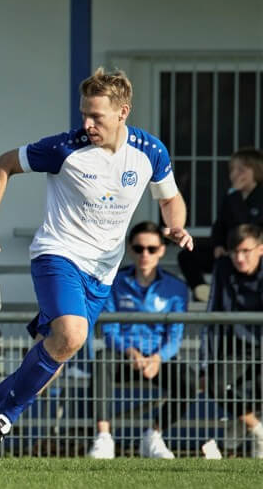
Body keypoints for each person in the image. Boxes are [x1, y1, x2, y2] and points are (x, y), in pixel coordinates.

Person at [0, 67, 193, 464]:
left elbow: (170, 198)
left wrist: (177, 225)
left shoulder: (151, 151)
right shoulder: (65, 147)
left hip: (101, 272)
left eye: (96, 116)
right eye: (84, 114)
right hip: (57, 254)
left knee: (57, 353)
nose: (87, 124)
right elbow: (1, 165)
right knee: (73, 334)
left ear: (123, 112)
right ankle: (4, 420)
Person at [88, 221, 194, 459]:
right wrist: (131, 353)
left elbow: (175, 335)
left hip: (158, 359)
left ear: (162, 250)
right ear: (130, 249)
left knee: (188, 379)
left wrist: (157, 358)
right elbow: (109, 330)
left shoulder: (176, 288)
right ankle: (103, 437)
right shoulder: (114, 282)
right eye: (138, 248)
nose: (145, 254)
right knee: (102, 361)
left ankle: (154, 435)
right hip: (124, 357)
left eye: (152, 249)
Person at [201, 223, 263, 458]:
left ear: (260, 249)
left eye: (246, 251)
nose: (239, 258)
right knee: (215, 383)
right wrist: (205, 364)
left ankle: (244, 428)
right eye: (234, 252)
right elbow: (212, 312)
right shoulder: (223, 267)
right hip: (238, 347)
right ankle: (256, 429)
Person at [178, 147, 263, 301]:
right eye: (232, 170)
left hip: (253, 253)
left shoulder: (252, 196)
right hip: (228, 252)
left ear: (255, 171)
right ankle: (201, 290)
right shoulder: (231, 196)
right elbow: (219, 225)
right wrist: (218, 245)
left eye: (241, 170)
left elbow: (247, 226)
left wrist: (236, 196)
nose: (235, 175)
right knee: (187, 255)